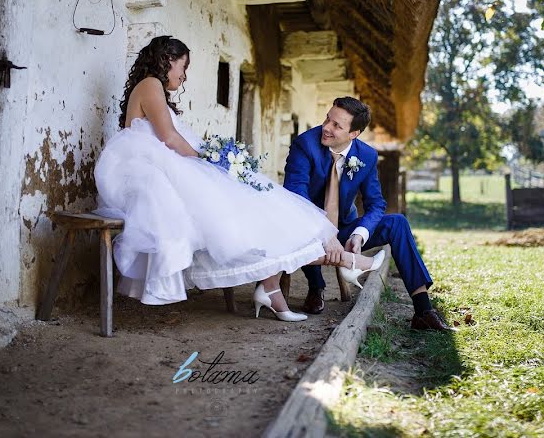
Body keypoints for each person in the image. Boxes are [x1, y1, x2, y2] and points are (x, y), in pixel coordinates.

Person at [94, 37, 385, 322]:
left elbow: (170, 138)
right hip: (150, 171)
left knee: (260, 200)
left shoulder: (151, 87)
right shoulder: (150, 84)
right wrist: (210, 159)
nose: (183, 76)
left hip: (162, 167)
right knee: (249, 209)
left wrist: (215, 159)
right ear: (168, 61)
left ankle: (273, 288)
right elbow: (169, 138)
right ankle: (340, 264)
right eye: (183, 67)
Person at [283, 97, 453, 331]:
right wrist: (324, 234)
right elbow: (296, 196)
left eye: (337, 126)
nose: (326, 128)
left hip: (344, 227)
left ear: (354, 133)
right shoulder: (305, 145)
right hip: (305, 228)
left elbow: (375, 204)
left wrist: (360, 235)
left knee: (397, 223)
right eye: (327, 119)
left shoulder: (367, 156)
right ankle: (316, 286)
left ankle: (423, 310)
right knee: (305, 229)